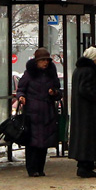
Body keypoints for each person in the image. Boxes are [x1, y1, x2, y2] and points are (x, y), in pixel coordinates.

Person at [15, 47, 61, 178]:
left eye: (46, 60)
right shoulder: (29, 74)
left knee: (44, 142)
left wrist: (54, 92)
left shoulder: (51, 74)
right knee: (32, 142)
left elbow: (58, 90)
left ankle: (40, 168)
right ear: (36, 62)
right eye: (42, 60)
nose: (45, 63)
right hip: (32, 113)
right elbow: (21, 89)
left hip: (47, 112)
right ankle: (32, 169)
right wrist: (21, 97)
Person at [69, 47, 96, 178]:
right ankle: (85, 167)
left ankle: (85, 165)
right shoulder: (89, 71)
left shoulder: (79, 70)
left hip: (81, 110)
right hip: (88, 111)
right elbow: (86, 89)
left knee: (84, 138)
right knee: (89, 138)